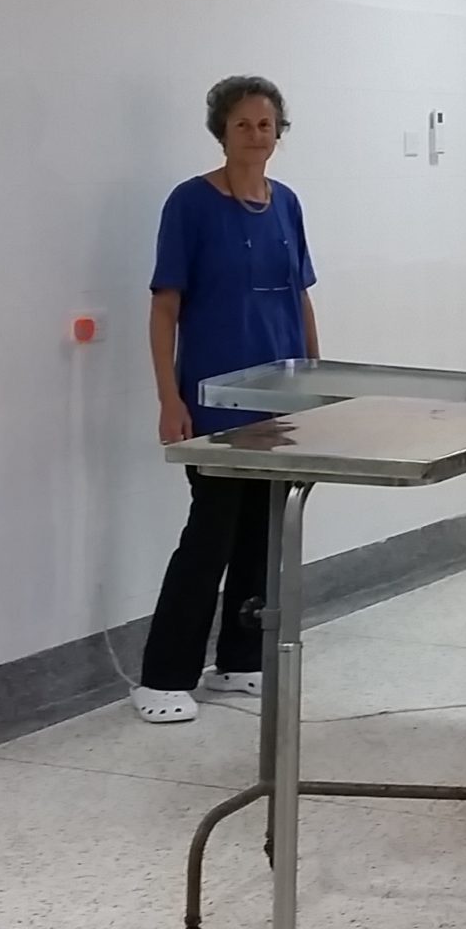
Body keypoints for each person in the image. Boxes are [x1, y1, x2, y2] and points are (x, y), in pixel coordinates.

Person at [134, 76, 319, 724]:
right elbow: (165, 307)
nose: (256, 135)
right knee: (209, 536)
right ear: (222, 131)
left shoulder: (286, 204)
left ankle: (240, 660)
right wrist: (169, 397)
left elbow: (300, 298)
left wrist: (316, 386)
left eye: (266, 125)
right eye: (243, 124)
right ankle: (162, 678)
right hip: (213, 399)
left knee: (263, 535)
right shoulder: (190, 204)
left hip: (280, 398)